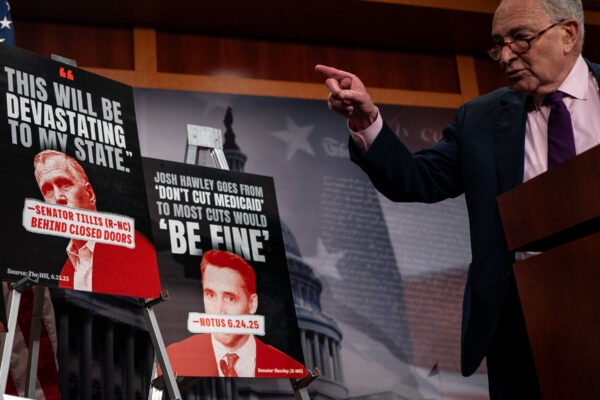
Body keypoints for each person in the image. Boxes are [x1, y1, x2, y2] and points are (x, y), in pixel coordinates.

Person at [315, 0, 599, 398]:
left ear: (568, 34)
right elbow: (416, 180)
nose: (505, 56)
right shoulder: (481, 118)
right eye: (498, 44)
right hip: (522, 325)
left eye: (520, 38)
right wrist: (367, 119)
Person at [33, 150, 161, 298]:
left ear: (90, 194)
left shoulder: (131, 246)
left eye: (64, 183)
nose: (58, 197)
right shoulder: (67, 271)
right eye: (47, 189)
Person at [165, 250, 305, 378]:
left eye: (230, 298)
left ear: (252, 304)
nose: (219, 310)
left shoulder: (286, 367)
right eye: (211, 295)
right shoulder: (173, 359)